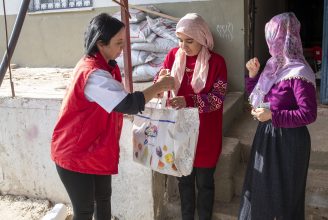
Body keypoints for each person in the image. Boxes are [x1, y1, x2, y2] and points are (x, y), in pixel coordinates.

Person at [50, 13, 174, 220]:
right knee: (85, 210)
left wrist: (152, 93)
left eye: (123, 42)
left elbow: (118, 102)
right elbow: (128, 103)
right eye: (118, 43)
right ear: (100, 43)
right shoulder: (93, 74)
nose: (122, 48)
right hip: (75, 151)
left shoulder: (106, 67)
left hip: (95, 148)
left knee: (104, 200)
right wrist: (159, 86)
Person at [238, 12, 317, 220]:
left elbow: (308, 114)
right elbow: (259, 97)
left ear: (285, 38)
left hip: (289, 143)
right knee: (262, 192)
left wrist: (273, 116)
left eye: (274, 38)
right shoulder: (273, 67)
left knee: (284, 198)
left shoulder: (299, 73)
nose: (271, 44)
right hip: (267, 137)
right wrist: (253, 76)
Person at [155, 13, 227, 220]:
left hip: (206, 134)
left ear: (202, 38)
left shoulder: (217, 63)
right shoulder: (172, 57)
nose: (183, 46)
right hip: (179, 133)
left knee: (205, 182)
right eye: (179, 40)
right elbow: (160, 87)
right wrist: (160, 81)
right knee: (184, 182)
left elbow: (217, 98)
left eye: (189, 41)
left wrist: (189, 101)